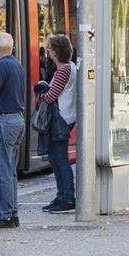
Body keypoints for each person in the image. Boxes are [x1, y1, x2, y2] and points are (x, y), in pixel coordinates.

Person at [0, 33, 26, 229]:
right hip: (17, 119)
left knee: (1, 170)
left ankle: (4, 215)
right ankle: (13, 213)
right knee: (10, 170)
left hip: (3, 121)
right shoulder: (17, 65)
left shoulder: (0, 67)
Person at [39, 34, 78, 213]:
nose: (47, 51)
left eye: (50, 48)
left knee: (59, 158)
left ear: (56, 51)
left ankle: (67, 197)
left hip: (60, 118)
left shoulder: (63, 70)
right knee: (56, 157)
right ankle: (62, 195)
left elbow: (52, 95)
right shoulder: (71, 67)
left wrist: (42, 94)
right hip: (66, 117)